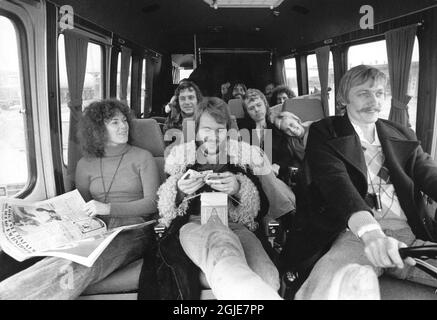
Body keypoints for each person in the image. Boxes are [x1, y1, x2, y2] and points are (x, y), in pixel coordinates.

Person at [283, 65, 437, 300]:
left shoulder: (400, 132)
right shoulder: (325, 132)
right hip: (352, 235)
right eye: (363, 93)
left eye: (378, 93)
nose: (373, 100)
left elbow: (428, 173)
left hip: (407, 235)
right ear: (344, 98)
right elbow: (337, 186)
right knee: (321, 293)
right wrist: (371, 233)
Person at [0, 99, 160, 299]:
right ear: (97, 130)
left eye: (124, 120)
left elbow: (152, 203)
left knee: (84, 264)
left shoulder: (142, 157)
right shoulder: (85, 164)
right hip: (95, 229)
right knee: (56, 259)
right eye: (114, 122)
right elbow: (80, 207)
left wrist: (108, 208)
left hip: (134, 229)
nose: (123, 126)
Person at [154, 97, 281, 300]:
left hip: (237, 226)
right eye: (206, 129)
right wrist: (179, 191)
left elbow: (263, 208)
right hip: (195, 225)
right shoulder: (179, 158)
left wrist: (239, 188)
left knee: (269, 277)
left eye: (219, 129)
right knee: (222, 246)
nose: (213, 136)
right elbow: (164, 210)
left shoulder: (244, 156)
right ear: (195, 130)